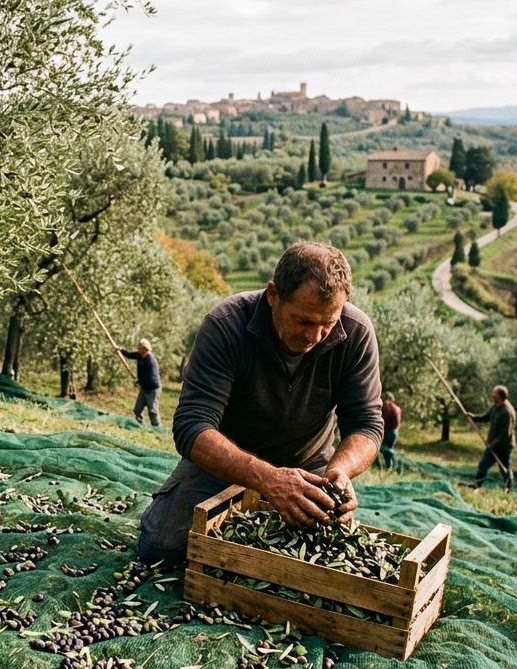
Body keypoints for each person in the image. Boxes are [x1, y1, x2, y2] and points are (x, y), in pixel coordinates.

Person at [137, 241, 383, 564]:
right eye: (304, 321)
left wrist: (340, 470)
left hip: (309, 472)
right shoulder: (225, 325)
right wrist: (267, 479)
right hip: (224, 467)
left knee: (322, 562)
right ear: (273, 295)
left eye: (328, 322)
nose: (316, 335)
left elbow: (367, 425)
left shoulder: (357, 333)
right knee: (160, 549)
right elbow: (191, 426)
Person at [468, 386, 516, 489]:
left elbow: (505, 433)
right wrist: (473, 417)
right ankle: (477, 486)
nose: (492, 395)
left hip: (504, 447)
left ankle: (508, 489)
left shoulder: (507, 412)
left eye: (494, 393)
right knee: (483, 465)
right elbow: (486, 417)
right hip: (492, 445)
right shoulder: (495, 407)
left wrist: (492, 444)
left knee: (505, 469)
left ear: (500, 396)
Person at [119, 339, 161, 426]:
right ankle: (140, 425)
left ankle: (157, 428)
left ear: (145, 349)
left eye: (140, 348)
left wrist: (140, 382)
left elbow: (152, 378)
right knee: (137, 409)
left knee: (152, 411)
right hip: (144, 388)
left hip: (152, 389)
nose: (138, 350)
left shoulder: (150, 361)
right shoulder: (140, 355)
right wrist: (121, 350)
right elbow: (130, 354)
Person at [380, 392, 401, 470]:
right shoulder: (397, 408)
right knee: (386, 450)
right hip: (395, 432)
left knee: (381, 448)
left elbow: (383, 419)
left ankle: (393, 454)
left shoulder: (385, 406)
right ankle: (389, 467)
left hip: (388, 431)